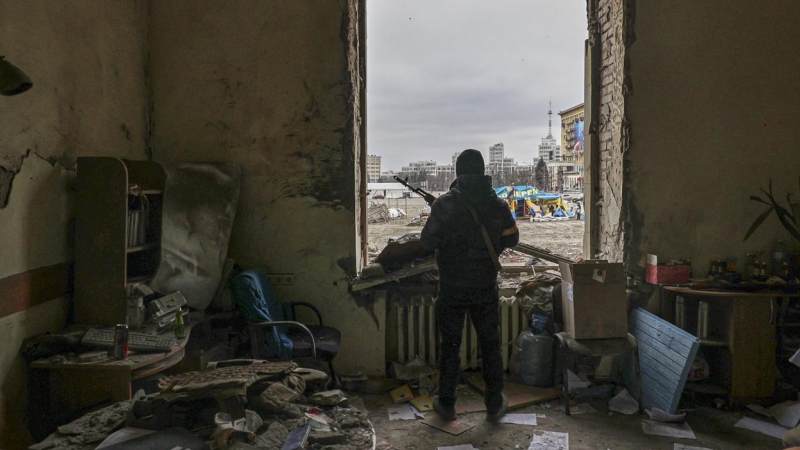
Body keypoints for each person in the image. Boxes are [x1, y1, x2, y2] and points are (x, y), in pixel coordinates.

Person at [421, 149, 519, 422]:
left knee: (450, 345)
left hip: (451, 287)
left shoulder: (444, 205)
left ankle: (447, 403)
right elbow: (512, 239)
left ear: (458, 173)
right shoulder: (499, 206)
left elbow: (427, 242)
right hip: (485, 287)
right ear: (482, 171)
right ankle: (494, 403)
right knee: (490, 345)